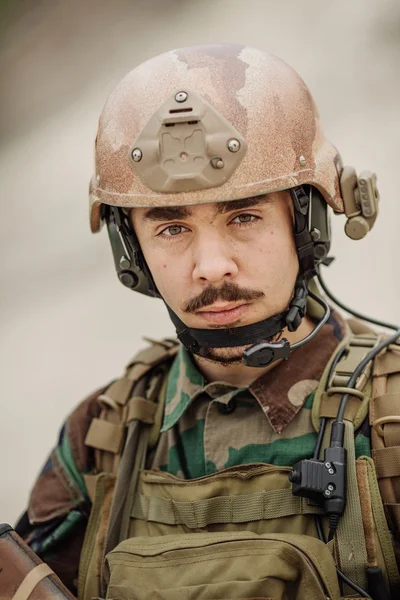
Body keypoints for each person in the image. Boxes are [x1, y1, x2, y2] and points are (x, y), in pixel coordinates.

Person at [15, 44, 400, 600]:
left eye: (244, 216)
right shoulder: (100, 440)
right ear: (133, 252)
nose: (210, 266)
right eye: (171, 228)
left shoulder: (390, 417)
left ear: (307, 223)